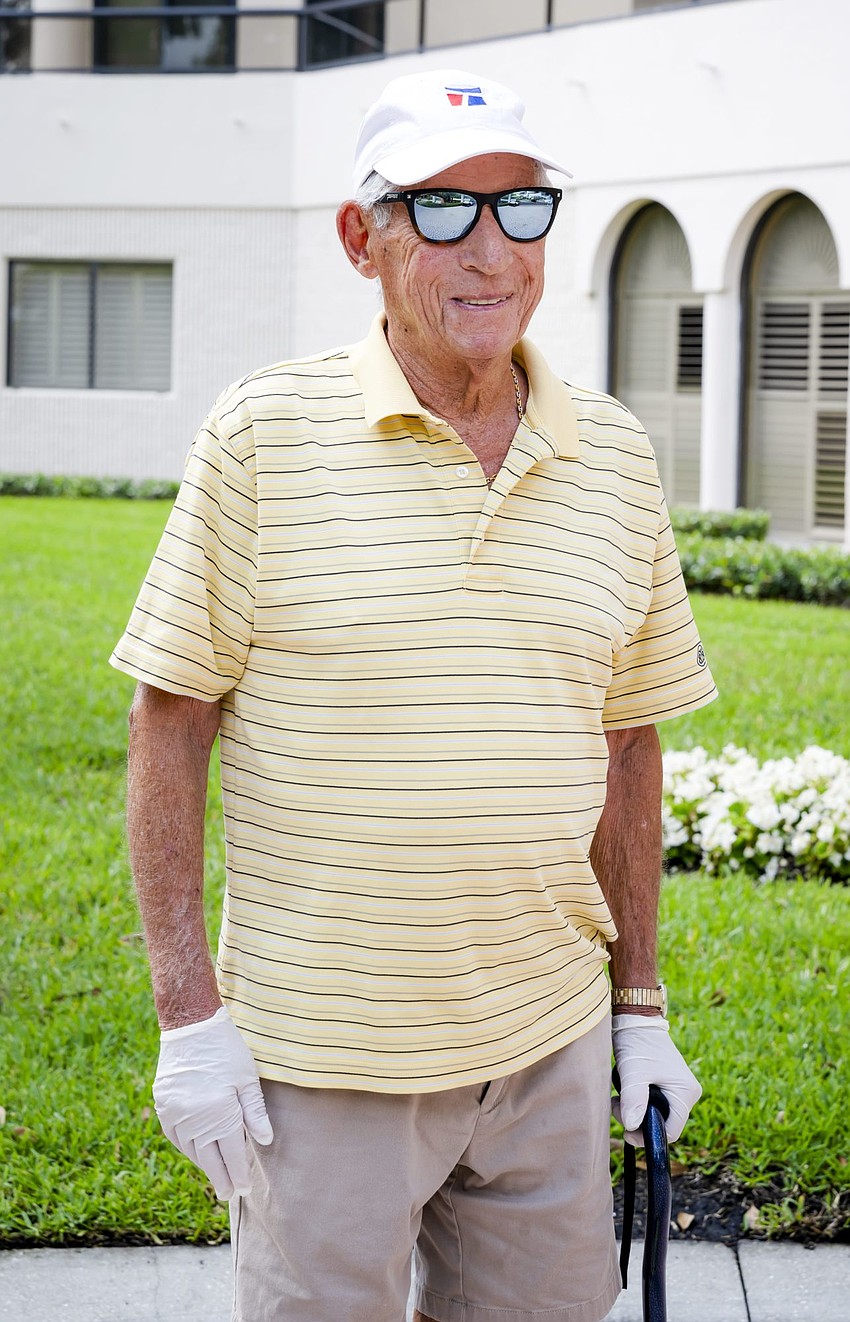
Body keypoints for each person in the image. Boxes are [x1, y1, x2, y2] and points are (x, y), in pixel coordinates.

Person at [112, 67, 717, 1322]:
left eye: (521, 208)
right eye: (441, 210)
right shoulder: (260, 435)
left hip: (546, 1046)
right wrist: (188, 1019)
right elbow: (170, 723)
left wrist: (638, 1006)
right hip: (323, 1062)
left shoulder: (611, 451)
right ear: (361, 237)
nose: (490, 250)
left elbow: (628, 736)